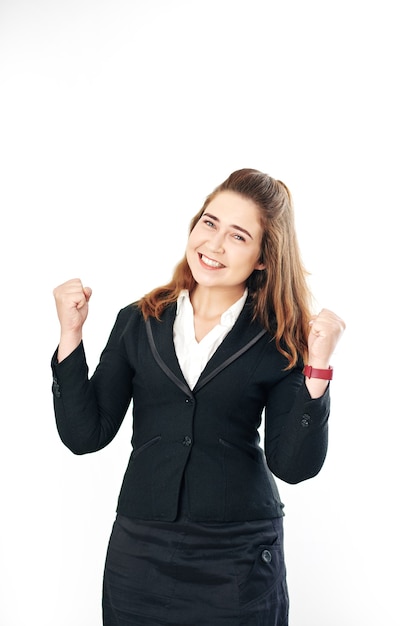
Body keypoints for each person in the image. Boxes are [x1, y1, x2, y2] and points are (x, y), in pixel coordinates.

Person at [51, 168, 345, 626]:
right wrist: (71, 335)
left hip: (237, 557)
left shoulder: (281, 338)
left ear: (264, 258)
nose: (214, 245)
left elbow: (293, 466)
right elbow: (84, 434)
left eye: (238, 236)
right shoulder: (139, 320)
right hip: (140, 551)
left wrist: (318, 368)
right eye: (209, 223)